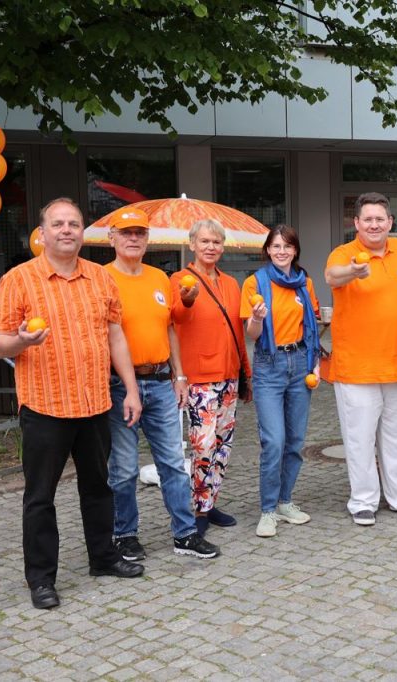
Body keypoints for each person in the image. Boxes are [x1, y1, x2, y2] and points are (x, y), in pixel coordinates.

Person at [0, 197, 144, 610]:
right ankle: (41, 579)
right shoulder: (18, 280)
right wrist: (21, 340)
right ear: (42, 233)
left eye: (73, 223)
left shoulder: (100, 278)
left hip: (95, 403)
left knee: (98, 488)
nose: (66, 230)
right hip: (45, 407)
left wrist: (130, 389)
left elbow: (115, 336)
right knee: (40, 497)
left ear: (83, 232)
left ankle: (103, 557)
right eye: (57, 223)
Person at [104, 208, 219, 561]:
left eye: (140, 233)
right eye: (126, 233)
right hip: (119, 387)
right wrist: (130, 388)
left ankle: (184, 534)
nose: (133, 238)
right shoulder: (101, 278)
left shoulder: (159, 278)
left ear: (147, 239)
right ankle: (125, 534)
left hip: (160, 382)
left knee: (172, 461)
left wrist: (179, 374)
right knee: (123, 468)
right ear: (112, 238)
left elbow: (170, 327)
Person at [324, 192, 397, 526]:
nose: (374, 224)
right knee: (359, 439)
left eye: (380, 219)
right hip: (355, 368)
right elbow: (333, 276)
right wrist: (354, 271)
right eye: (368, 219)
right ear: (356, 223)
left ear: (390, 222)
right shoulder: (344, 254)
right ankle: (362, 500)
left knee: (396, 435)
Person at [170, 218, 251, 537]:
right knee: (202, 445)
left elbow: (238, 333)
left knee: (223, 445)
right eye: (204, 241)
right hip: (199, 377)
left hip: (229, 374)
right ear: (192, 244)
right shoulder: (180, 279)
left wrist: (246, 372)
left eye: (216, 242)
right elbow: (176, 316)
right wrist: (188, 298)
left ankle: (209, 501)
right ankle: (198, 510)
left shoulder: (231, 283)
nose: (211, 247)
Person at [241, 225, 320, 539]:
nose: (282, 251)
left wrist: (315, 362)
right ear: (268, 250)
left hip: (301, 364)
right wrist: (258, 318)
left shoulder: (305, 283)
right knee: (273, 441)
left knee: (295, 441)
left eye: (287, 246)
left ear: (295, 250)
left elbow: (312, 324)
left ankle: (286, 501)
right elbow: (252, 335)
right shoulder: (254, 283)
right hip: (269, 365)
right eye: (276, 246)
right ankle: (268, 510)